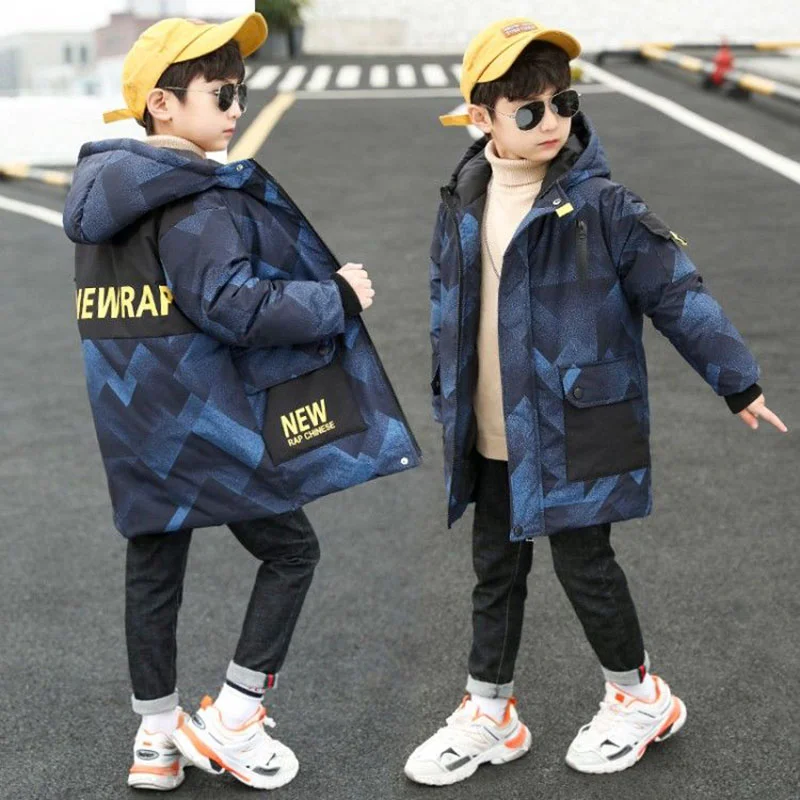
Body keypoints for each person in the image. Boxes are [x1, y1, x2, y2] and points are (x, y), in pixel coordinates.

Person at [404, 17, 787, 785]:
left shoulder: (604, 205)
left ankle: (640, 697)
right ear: (480, 117)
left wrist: (736, 379)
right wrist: (449, 395)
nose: (552, 121)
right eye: (528, 110)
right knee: (494, 570)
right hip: (489, 428)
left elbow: (676, 292)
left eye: (563, 102)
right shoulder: (464, 199)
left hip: (576, 423)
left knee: (586, 566)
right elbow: (449, 302)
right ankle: (491, 709)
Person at [62, 13, 420, 792]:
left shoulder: (100, 201)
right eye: (221, 94)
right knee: (292, 552)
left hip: (133, 421)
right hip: (206, 420)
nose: (236, 107)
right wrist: (336, 296)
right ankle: (235, 714)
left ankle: (156, 739)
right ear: (162, 104)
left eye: (240, 92)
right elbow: (235, 307)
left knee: (154, 564)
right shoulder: (196, 201)